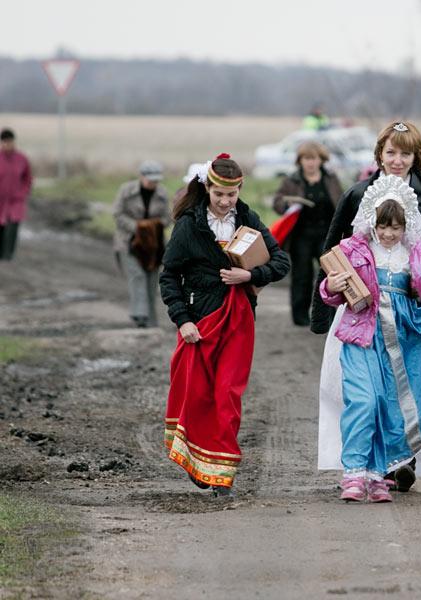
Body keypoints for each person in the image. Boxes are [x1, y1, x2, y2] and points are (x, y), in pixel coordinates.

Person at [311, 121, 421, 491]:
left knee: (409, 382)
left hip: (414, 307)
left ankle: (403, 458)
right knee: (367, 390)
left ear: (417, 157)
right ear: (379, 154)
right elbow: (334, 249)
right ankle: (366, 465)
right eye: (391, 152)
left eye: (406, 153)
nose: (398, 160)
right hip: (365, 308)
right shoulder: (360, 194)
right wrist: (322, 307)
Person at [159, 154, 290, 498]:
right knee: (198, 395)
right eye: (219, 194)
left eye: (231, 195)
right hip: (199, 321)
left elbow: (281, 261)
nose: (225, 201)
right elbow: (169, 276)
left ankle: (221, 475)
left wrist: (251, 275)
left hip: (239, 319)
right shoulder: (188, 224)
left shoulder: (247, 218)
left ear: (239, 191)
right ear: (208, 188)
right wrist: (182, 320)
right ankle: (197, 463)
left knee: (227, 395)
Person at [272, 141, 343, 326]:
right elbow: (277, 203)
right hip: (301, 236)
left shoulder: (330, 178)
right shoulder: (292, 180)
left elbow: (342, 203)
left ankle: (328, 314)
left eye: (314, 158)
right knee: (301, 276)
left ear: (321, 160)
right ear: (299, 161)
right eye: (306, 158)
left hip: (327, 235)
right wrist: (288, 204)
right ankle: (300, 315)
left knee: (329, 274)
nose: (310, 163)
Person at [113, 160, 171, 328]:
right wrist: (138, 227)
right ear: (141, 176)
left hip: (153, 246)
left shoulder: (162, 193)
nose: (153, 183)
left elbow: (167, 217)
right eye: (150, 179)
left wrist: (153, 227)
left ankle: (151, 321)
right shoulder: (126, 190)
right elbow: (117, 214)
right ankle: (140, 316)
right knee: (137, 276)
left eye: (156, 180)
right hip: (128, 243)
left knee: (152, 282)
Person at [0, 128, 33, 261]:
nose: (8, 144)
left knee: (13, 225)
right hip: (1, 200)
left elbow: (28, 178)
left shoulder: (21, 159)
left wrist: (24, 192)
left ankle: (9, 254)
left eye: (10, 142)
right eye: (5, 142)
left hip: (16, 200)